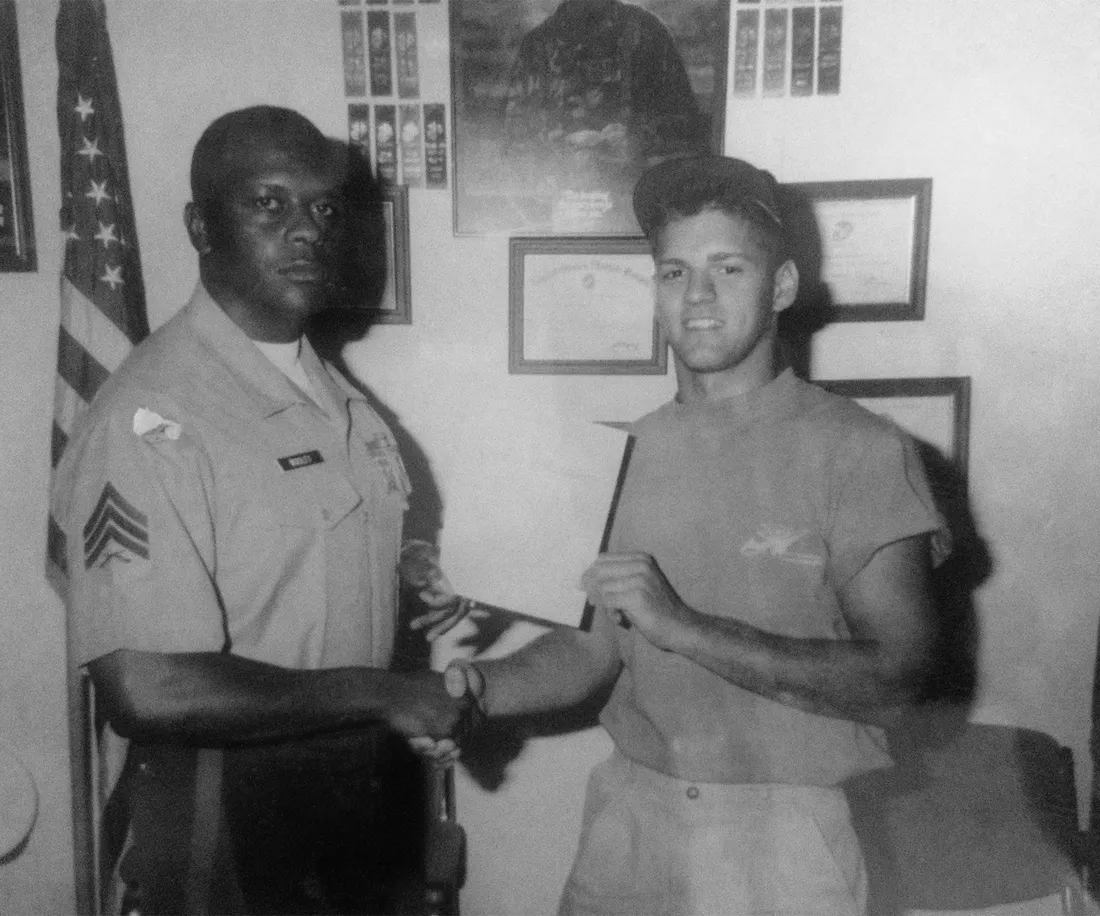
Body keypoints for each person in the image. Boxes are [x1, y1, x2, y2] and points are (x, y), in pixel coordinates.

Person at [435, 154, 947, 916]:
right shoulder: (624, 449)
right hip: (629, 821)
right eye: (674, 273)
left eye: (727, 268)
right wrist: (480, 693)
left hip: (784, 839)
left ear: (780, 288)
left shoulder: (862, 449)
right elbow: (591, 651)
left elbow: (901, 679)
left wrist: (685, 628)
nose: (697, 297)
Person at [51, 106, 470, 915]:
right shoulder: (155, 416)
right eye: (267, 203)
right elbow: (148, 686)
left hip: (359, 790)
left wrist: (409, 588)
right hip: (227, 802)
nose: (305, 229)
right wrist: (382, 693)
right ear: (200, 227)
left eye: (322, 207)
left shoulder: (333, 395)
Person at [500, 0, 710, 232]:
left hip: (638, 211)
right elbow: (515, 143)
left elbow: (688, 132)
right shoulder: (538, 45)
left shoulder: (648, 35)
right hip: (560, 213)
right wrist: (559, 146)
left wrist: (638, 139)